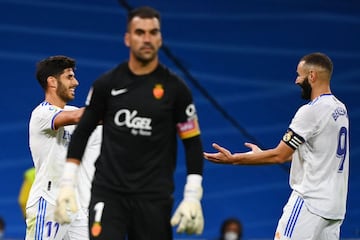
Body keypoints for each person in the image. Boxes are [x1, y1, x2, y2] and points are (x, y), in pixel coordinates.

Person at [55, 6, 205, 240]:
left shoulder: (177, 90)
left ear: (160, 38)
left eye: (153, 32)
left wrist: (193, 194)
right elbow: (82, 132)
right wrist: (67, 182)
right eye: (139, 32)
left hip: (154, 198)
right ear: (127, 38)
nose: (146, 38)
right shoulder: (106, 84)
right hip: (108, 194)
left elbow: (192, 142)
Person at [204, 52, 349, 240]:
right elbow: (309, 153)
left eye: (300, 75)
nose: (297, 80)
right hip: (334, 209)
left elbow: (279, 156)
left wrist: (233, 159)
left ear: (312, 76)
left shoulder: (310, 111)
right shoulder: (340, 109)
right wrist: (262, 154)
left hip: (309, 203)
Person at [25, 55, 102, 240]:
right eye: (69, 76)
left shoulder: (72, 112)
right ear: (52, 81)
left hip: (75, 206)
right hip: (48, 203)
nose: (75, 82)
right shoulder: (42, 113)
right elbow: (79, 117)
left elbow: (99, 119)